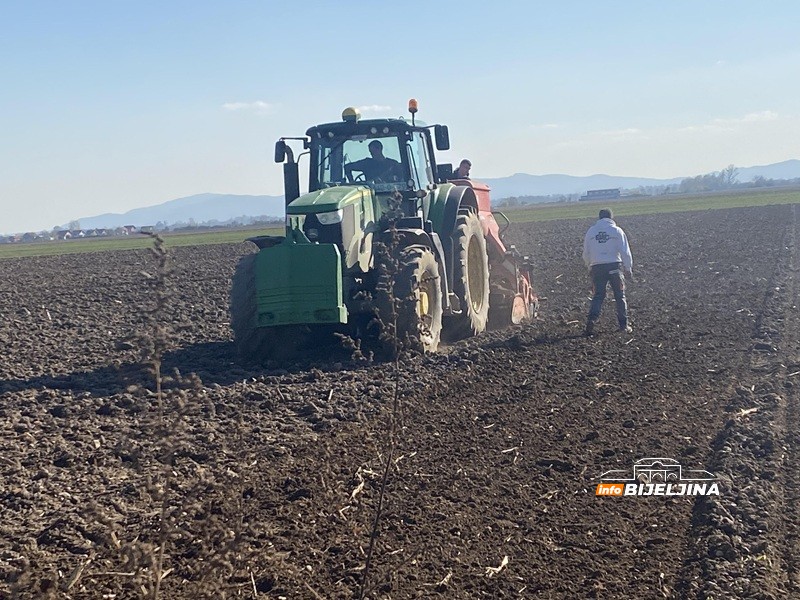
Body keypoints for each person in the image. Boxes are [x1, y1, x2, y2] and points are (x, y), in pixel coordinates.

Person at [582, 208, 633, 336]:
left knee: (598, 295)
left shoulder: (591, 232)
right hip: (614, 266)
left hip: (597, 267)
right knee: (620, 295)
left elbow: (586, 253)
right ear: (611, 218)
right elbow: (625, 252)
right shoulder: (617, 231)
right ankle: (623, 325)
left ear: (599, 218)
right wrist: (628, 268)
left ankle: (591, 320)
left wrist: (590, 267)